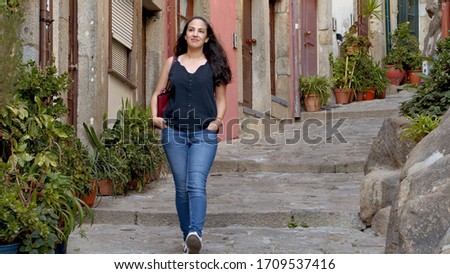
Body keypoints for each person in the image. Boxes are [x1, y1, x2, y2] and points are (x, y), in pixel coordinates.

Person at [151, 16, 232, 254]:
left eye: (201, 31)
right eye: (191, 30)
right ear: (185, 35)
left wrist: (217, 122)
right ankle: (188, 238)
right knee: (181, 187)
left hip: (203, 134)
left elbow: (221, 99)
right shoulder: (171, 63)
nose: (195, 34)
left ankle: (196, 232)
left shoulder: (214, 66)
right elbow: (157, 92)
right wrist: (155, 116)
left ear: (207, 38)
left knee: (196, 184)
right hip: (173, 133)